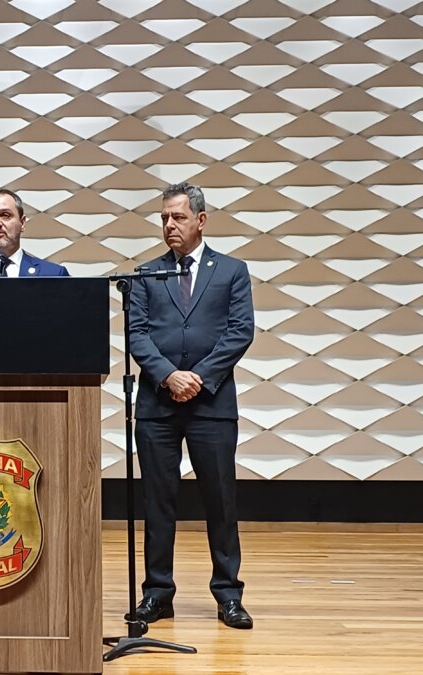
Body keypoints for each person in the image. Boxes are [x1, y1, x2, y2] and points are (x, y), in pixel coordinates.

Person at [127, 182, 255, 629]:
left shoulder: (232, 271)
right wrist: (168, 375)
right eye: (164, 218)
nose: (169, 225)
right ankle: (158, 595)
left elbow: (240, 331)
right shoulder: (145, 273)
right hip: (157, 405)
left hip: (212, 403)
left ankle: (228, 595)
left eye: (177, 217)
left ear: (201, 220)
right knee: (157, 502)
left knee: (220, 500)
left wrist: (197, 379)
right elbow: (136, 334)